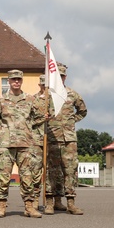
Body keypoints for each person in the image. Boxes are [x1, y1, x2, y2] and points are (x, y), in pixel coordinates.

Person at [0, 70, 45, 218]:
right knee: (3, 176)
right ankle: (1, 206)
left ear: (22, 81)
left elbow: (40, 116)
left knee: (27, 176)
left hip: (25, 143)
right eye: (13, 79)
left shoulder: (29, 99)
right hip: (6, 144)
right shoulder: (1, 100)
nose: (16, 82)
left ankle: (29, 206)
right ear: (8, 81)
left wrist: (26, 126)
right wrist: (3, 128)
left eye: (19, 79)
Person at [44, 65, 88, 215]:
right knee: (52, 170)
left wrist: (71, 121)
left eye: (62, 76)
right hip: (52, 138)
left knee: (70, 170)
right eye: (57, 76)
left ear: (65, 77)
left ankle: (71, 202)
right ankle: (51, 202)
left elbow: (83, 110)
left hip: (69, 139)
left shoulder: (72, 94)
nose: (60, 78)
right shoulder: (46, 95)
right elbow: (35, 113)